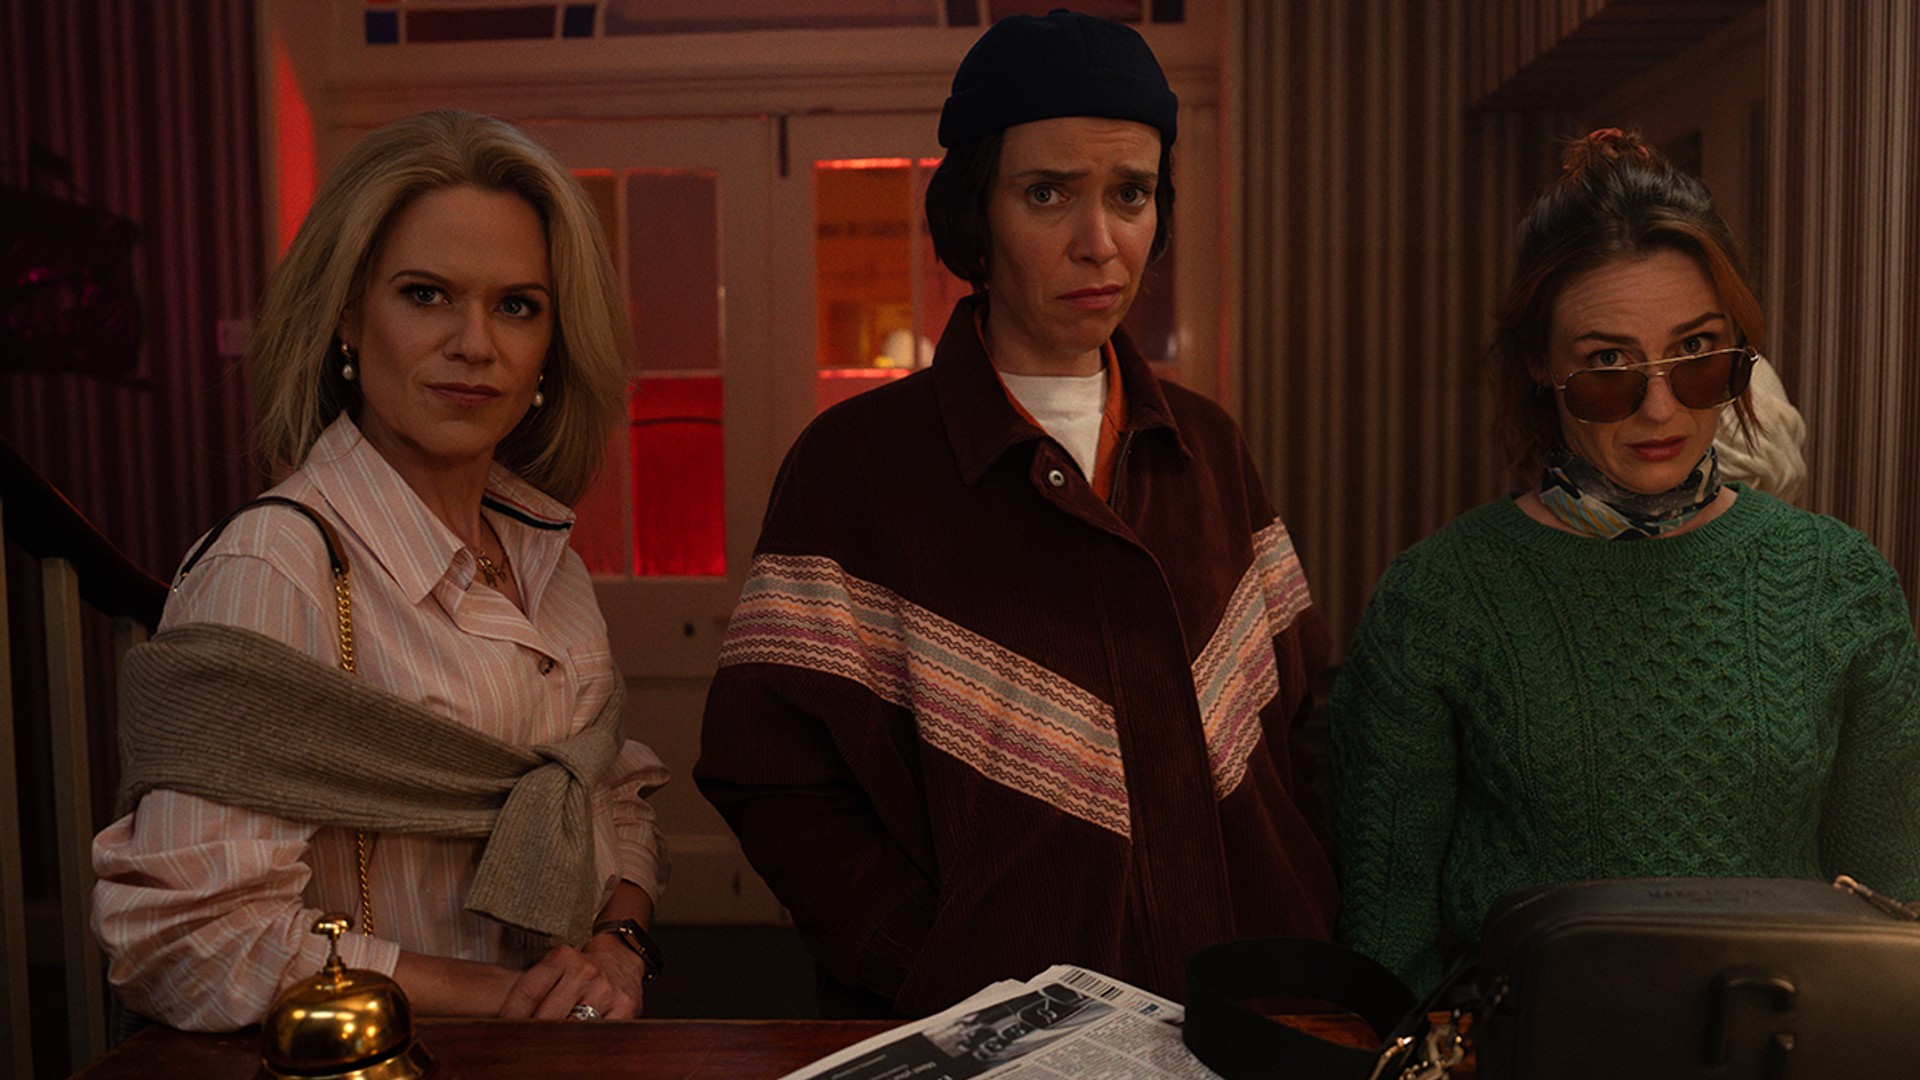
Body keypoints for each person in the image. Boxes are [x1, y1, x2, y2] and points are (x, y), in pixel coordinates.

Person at [696, 10, 1337, 1017]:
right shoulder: (856, 468)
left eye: (1130, 194)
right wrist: (933, 967)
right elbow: (771, 778)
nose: (1098, 242)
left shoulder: (1206, 447)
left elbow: (1303, 725)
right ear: (974, 217)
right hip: (978, 1039)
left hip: (1238, 1016)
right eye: (1048, 194)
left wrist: (1305, 921)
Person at [92, 109, 670, 1031]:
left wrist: (615, 948)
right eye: (426, 295)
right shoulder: (272, 570)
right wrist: (502, 1001)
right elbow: (186, 938)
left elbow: (608, 795)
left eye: (516, 305)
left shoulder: (546, 561)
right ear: (348, 318)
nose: (474, 343)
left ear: (551, 352)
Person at [1328, 129, 1920, 993]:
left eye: (1695, 355)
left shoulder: (1841, 583)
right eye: (1608, 364)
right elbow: (1387, 946)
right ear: (1540, 364)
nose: (1658, 409)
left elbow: (1893, 915)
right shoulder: (1439, 600)